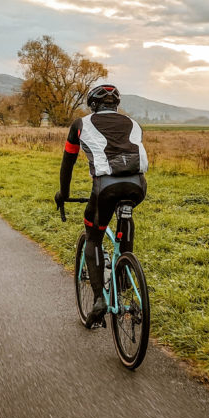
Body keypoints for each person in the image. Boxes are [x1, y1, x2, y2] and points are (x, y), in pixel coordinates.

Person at [56, 84, 148, 324]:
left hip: (106, 186)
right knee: (125, 213)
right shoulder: (133, 124)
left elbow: (68, 163)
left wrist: (63, 194)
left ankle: (99, 299)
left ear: (93, 105)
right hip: (137, 185)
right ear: (115, 105)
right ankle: (125, 271)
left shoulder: (80, 124)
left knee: (94, 236)